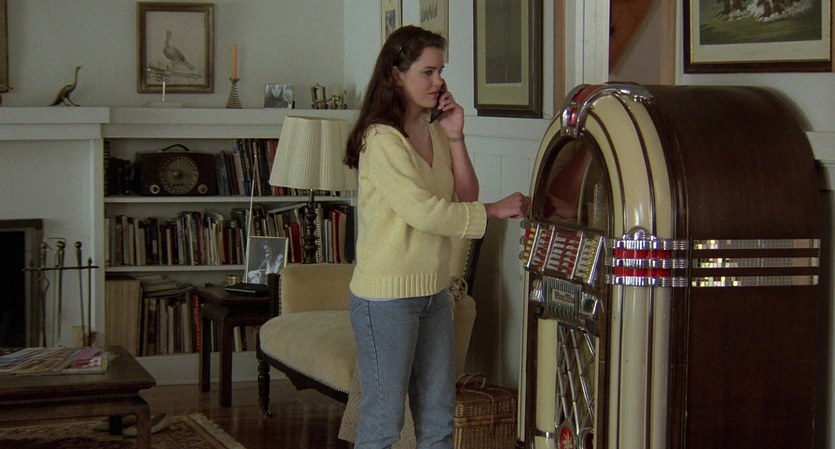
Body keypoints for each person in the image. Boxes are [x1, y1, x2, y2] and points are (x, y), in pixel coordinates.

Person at [343, 25, 530, 449]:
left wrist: (456, 134)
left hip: (434, 293)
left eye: (440, 71)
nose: (438, 81)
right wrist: (495, 211)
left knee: (439, 422)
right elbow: (425, 213)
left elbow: (465, 195)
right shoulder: (381, 140)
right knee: (383, 425)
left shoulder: (433, 130)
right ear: (396, 75)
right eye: (427, 72)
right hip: (386, 301)